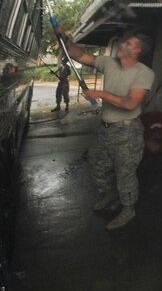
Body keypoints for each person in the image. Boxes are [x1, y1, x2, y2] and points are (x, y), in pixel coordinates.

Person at [54, 26, 155, 230]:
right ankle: (109, 193)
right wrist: (64, 38)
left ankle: (128, 209)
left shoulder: (144, 73)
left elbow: (129, 104)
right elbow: (80, 55)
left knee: (125, 172)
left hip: (127, 131)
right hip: (105, 128)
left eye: (128, 44)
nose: (122, 44)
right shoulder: (109, 62)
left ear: (138, 51)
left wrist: (100, 94)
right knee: (95, 160)